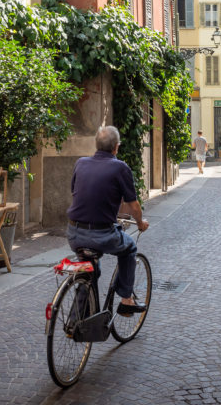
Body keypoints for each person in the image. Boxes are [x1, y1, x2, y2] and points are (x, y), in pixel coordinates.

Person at [67, 126, 150, 316]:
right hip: (100, 234)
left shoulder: (80, 163)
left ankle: (77, 319)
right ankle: (126, 300)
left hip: (73, 233)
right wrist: (140, 223)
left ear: (96, 145)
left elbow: (76, 191)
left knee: (89, 270)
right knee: (129, 248)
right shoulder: (120, 167)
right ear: (116, 147)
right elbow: (133, 205)